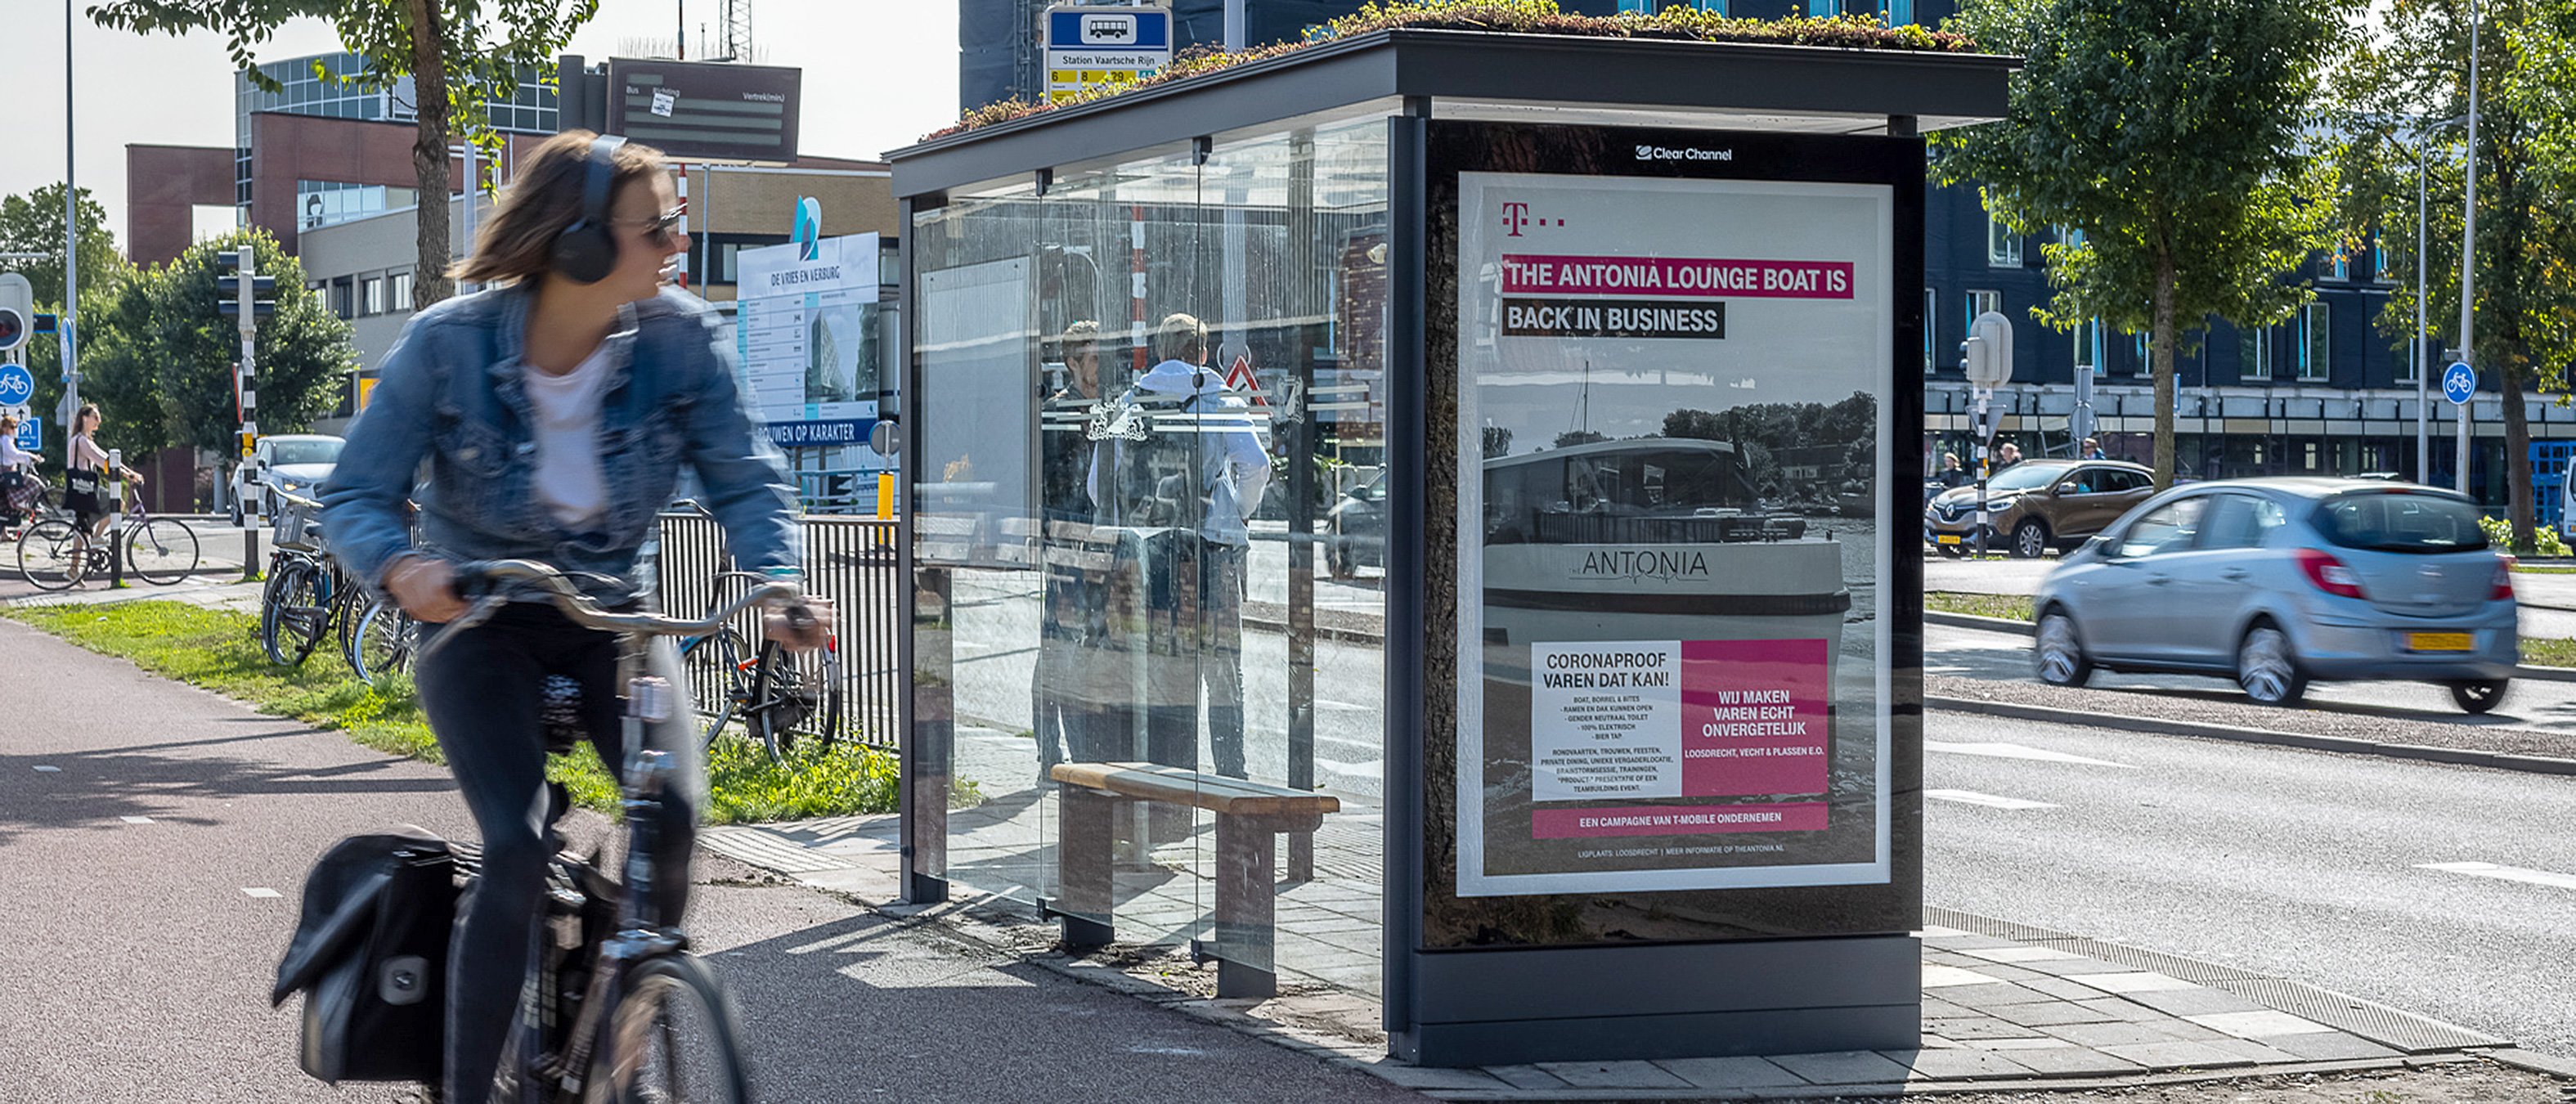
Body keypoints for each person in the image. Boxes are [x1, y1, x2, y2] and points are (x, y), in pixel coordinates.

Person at [319, 131, 830, 1104]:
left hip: (611, 619)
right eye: (660, 226)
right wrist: (402, 569)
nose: (679, 245)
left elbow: (746, 477)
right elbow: (356, 493)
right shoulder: (448, 343)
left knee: (674, 817)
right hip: (483, 619)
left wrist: (777, 582)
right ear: (581, 242)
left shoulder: (682, 339)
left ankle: (626, 1023)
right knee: (514, 848)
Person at [1088, 312, 1270, 781]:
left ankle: (1168, 780)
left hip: (1152, 555)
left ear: (1160, 351)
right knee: (1224, 671)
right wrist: (1239, 512)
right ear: (1203, 354)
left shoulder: (1133, 399)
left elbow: (1096, 484)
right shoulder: (1217, 395)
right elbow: (1256, 464)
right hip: (1212, 550)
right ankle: (1232, 777)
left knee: (1165, 669)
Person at [1034, 321, 1108, 776]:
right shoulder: (1056, 415)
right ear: (1073, 364)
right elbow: (1047, 484)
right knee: (1060, 648)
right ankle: (1053, 752)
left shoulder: (1114, 408)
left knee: (1091, 647)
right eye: (1095, 359)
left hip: (1104, 545)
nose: (1101, 368)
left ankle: (1081, 754)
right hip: (1067, 544)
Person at [64, 403, 144, 538]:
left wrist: (130, 472)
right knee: (118, 504)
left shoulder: (83, 439)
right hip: (83, 487)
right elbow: (103, 462)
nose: (99, 421)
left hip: (80, 487)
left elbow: (108, 458)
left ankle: (87, 551)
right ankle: (97, 538)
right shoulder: (82, 441)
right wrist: (128, 475)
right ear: (84, 418)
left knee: (83, 532)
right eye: (95, 417)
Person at [0, 415, 36, 531]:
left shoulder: (6, 439)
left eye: (15, 427)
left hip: (7, 472)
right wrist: (30, 456)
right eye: (12, 427)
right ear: (4, 428)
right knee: (35, 483)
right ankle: (18, 503)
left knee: (3, 506)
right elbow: (14, 454)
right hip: (8, 473)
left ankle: (4, 534)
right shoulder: (5, 439)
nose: (14, 430)